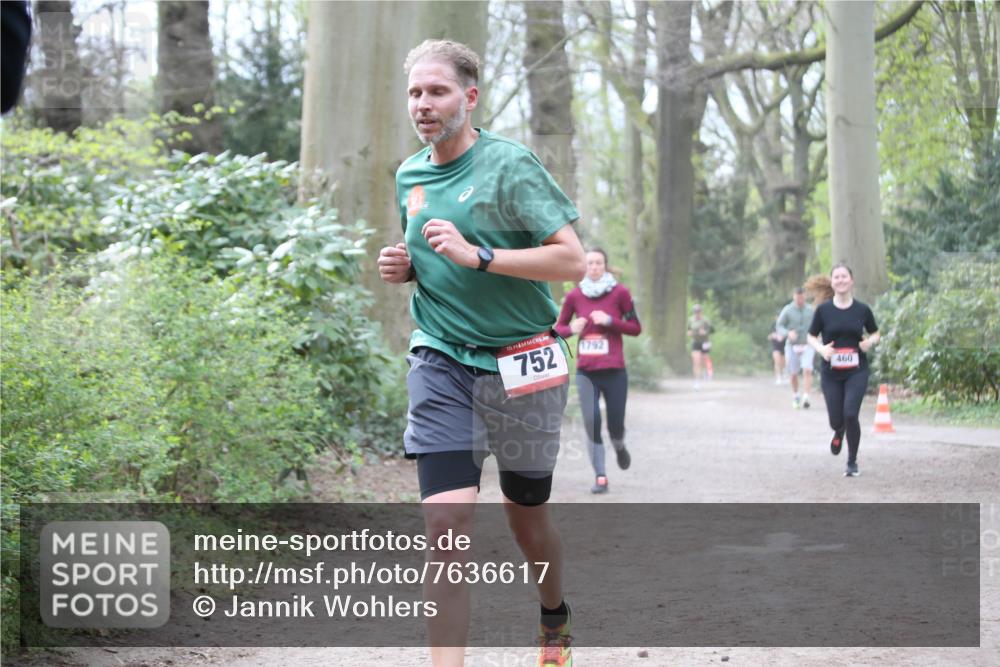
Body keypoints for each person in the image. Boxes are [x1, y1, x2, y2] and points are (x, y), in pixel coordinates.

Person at [377, 39, 585, 667]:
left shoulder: (510, 166)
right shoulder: (409, 175)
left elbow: (571, 260)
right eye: (415, 92)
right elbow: (431, 252)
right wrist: (407, 266)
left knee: (527, 518)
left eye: (437, 91)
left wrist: (480, 255)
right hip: (440, 359)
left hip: (523, 362)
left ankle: (554, 619)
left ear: (469, 97)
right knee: (445, 528)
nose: (423, 104)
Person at [555, 248, 641, 495]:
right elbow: (557, 330)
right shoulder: (574, 296)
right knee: (591, 422)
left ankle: (619, 444)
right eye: (589, 263)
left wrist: (611, 321)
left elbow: (636, 328)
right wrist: (572, 328)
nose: (593, 267)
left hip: (615, 372)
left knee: (615, 425)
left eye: (598, 263)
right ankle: (600, 476)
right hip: (587, 372)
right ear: (584, 267)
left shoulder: (620, 293)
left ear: (605, 265)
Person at [807, 264, 881, 478]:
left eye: (844, 276)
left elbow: (875, 333)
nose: (840, 280)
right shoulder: (823, 310)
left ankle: (852, 461)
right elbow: (811, 336)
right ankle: (838, 431)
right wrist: (821, 349)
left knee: (851, 413)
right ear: (832, 282)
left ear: (851, 281)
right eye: (836, 277)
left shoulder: (862, 310)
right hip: (831, 372)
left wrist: (870, 343)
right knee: (835, 420)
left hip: (857, 369)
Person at [776, 287, 816, 408]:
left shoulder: (810, 310)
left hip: (807, 344)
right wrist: (788, 333)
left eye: (802, 296)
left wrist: (817, 336)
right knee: (793, 373)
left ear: (805, 296)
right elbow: (779, 326)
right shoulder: (787, 310)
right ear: (794, 296)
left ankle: (806, 397)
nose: (800, 299)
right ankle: (795, 395)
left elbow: (818, 325)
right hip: (792, 346)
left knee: (807, 369)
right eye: (798, 297)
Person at [687, 304, 714, 385]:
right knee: (696, 361)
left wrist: (705, 332)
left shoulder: (705, 320)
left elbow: (712, 330)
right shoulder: (690, 320)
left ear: (701, 312)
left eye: (698, 311)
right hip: (695, 342)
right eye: (695, 312)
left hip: (705, 342)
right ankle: (697, 380)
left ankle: (709, 371)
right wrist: (689, 333)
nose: (697, 313)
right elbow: (688, 329)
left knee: (705, 358)